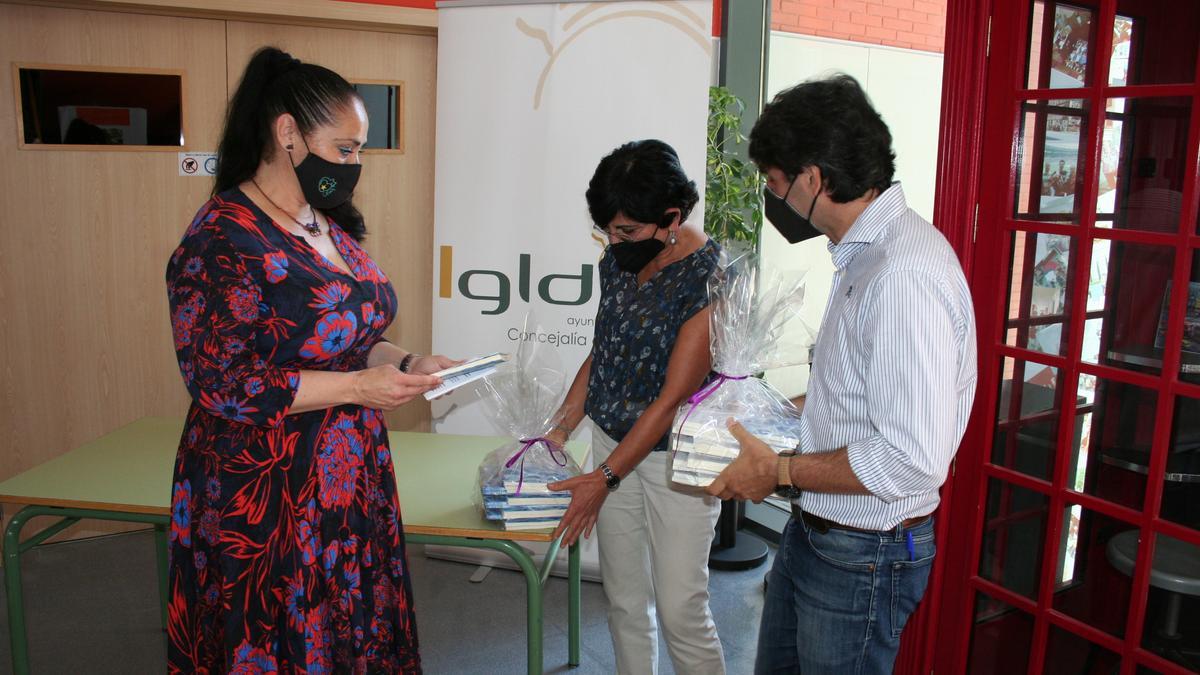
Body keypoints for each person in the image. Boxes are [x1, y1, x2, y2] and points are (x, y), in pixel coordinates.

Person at [165, 47, 455, 673]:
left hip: (347, 474)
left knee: (349, 621)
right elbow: (223, 382)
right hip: (266, 487)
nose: (355, 164)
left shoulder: (324, 223)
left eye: (360, 151)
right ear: (288, 133)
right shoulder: (221, 237)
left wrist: (405, 362)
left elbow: (348, 332)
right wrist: (357, 387)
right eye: (345, 148)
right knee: (283, 633)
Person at [707, 74, 978, 674]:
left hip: (864, 552)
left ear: (813, 178)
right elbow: (858, 393)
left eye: (776, 184)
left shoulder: (900, 277)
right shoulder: (865, 254)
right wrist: (770, 411)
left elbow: (911, 456)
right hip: (819, 528)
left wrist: (774, 472)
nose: (774, 199)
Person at [545, 139, 726, 674]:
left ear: (671, 216)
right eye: (608, 230)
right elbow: (604, 349)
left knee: (680, 609)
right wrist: (559, 428)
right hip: (610, 445)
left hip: (678, 461)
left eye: (625, 231)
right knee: (624, 601)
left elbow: (672, 400)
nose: (613, 242)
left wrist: (603, 477)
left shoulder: (708, 276)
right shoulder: (619, 260)